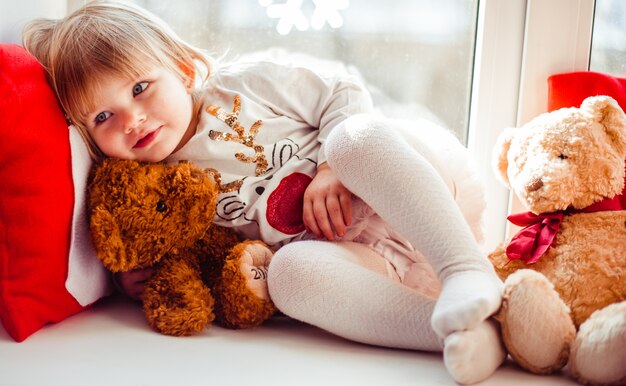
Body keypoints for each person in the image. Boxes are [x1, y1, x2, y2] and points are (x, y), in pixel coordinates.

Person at [23, 1, 505, 384]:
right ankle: (453, 331)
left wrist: (330, 168)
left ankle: (465, 269)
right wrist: (134, 283)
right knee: (288, 276)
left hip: (407, 195)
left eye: (140, 87)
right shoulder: (159, 192)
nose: (133, 120)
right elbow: (201, 266)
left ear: (183, 69)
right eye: (102, 118)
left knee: (354, 136)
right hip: (365, 263)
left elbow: (344, 92)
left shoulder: (243, 85)